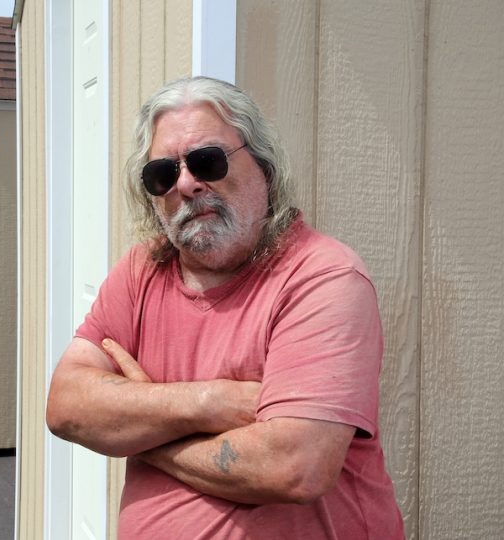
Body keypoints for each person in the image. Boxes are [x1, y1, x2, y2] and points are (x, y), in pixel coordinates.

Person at [46, 76, 404, 539]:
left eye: (207, 161)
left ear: (263, 165)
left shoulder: (323, 276)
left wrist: (145, 434)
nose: (188, 184)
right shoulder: (141, 270)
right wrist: (210, 402)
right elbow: (66, 405)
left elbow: (295, 466)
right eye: (163, 173)